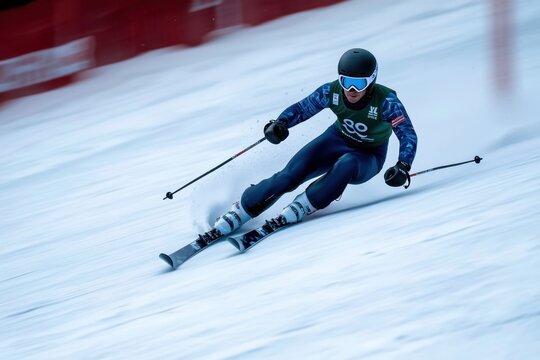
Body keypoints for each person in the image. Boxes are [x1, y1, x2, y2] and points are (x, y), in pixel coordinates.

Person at [213, 48, 417, 236]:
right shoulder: (332, 92)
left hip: (368, 156)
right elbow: (303, 109)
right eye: (346, 82)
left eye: (359, 83)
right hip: (336, 140)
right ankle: (242, 209)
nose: (352, 90)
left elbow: (407, 134)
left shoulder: (387, 102)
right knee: (289, 176)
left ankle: (304, 204)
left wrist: (403, 166)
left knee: (346, 163)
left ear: (371, 81)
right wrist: (280, 124)